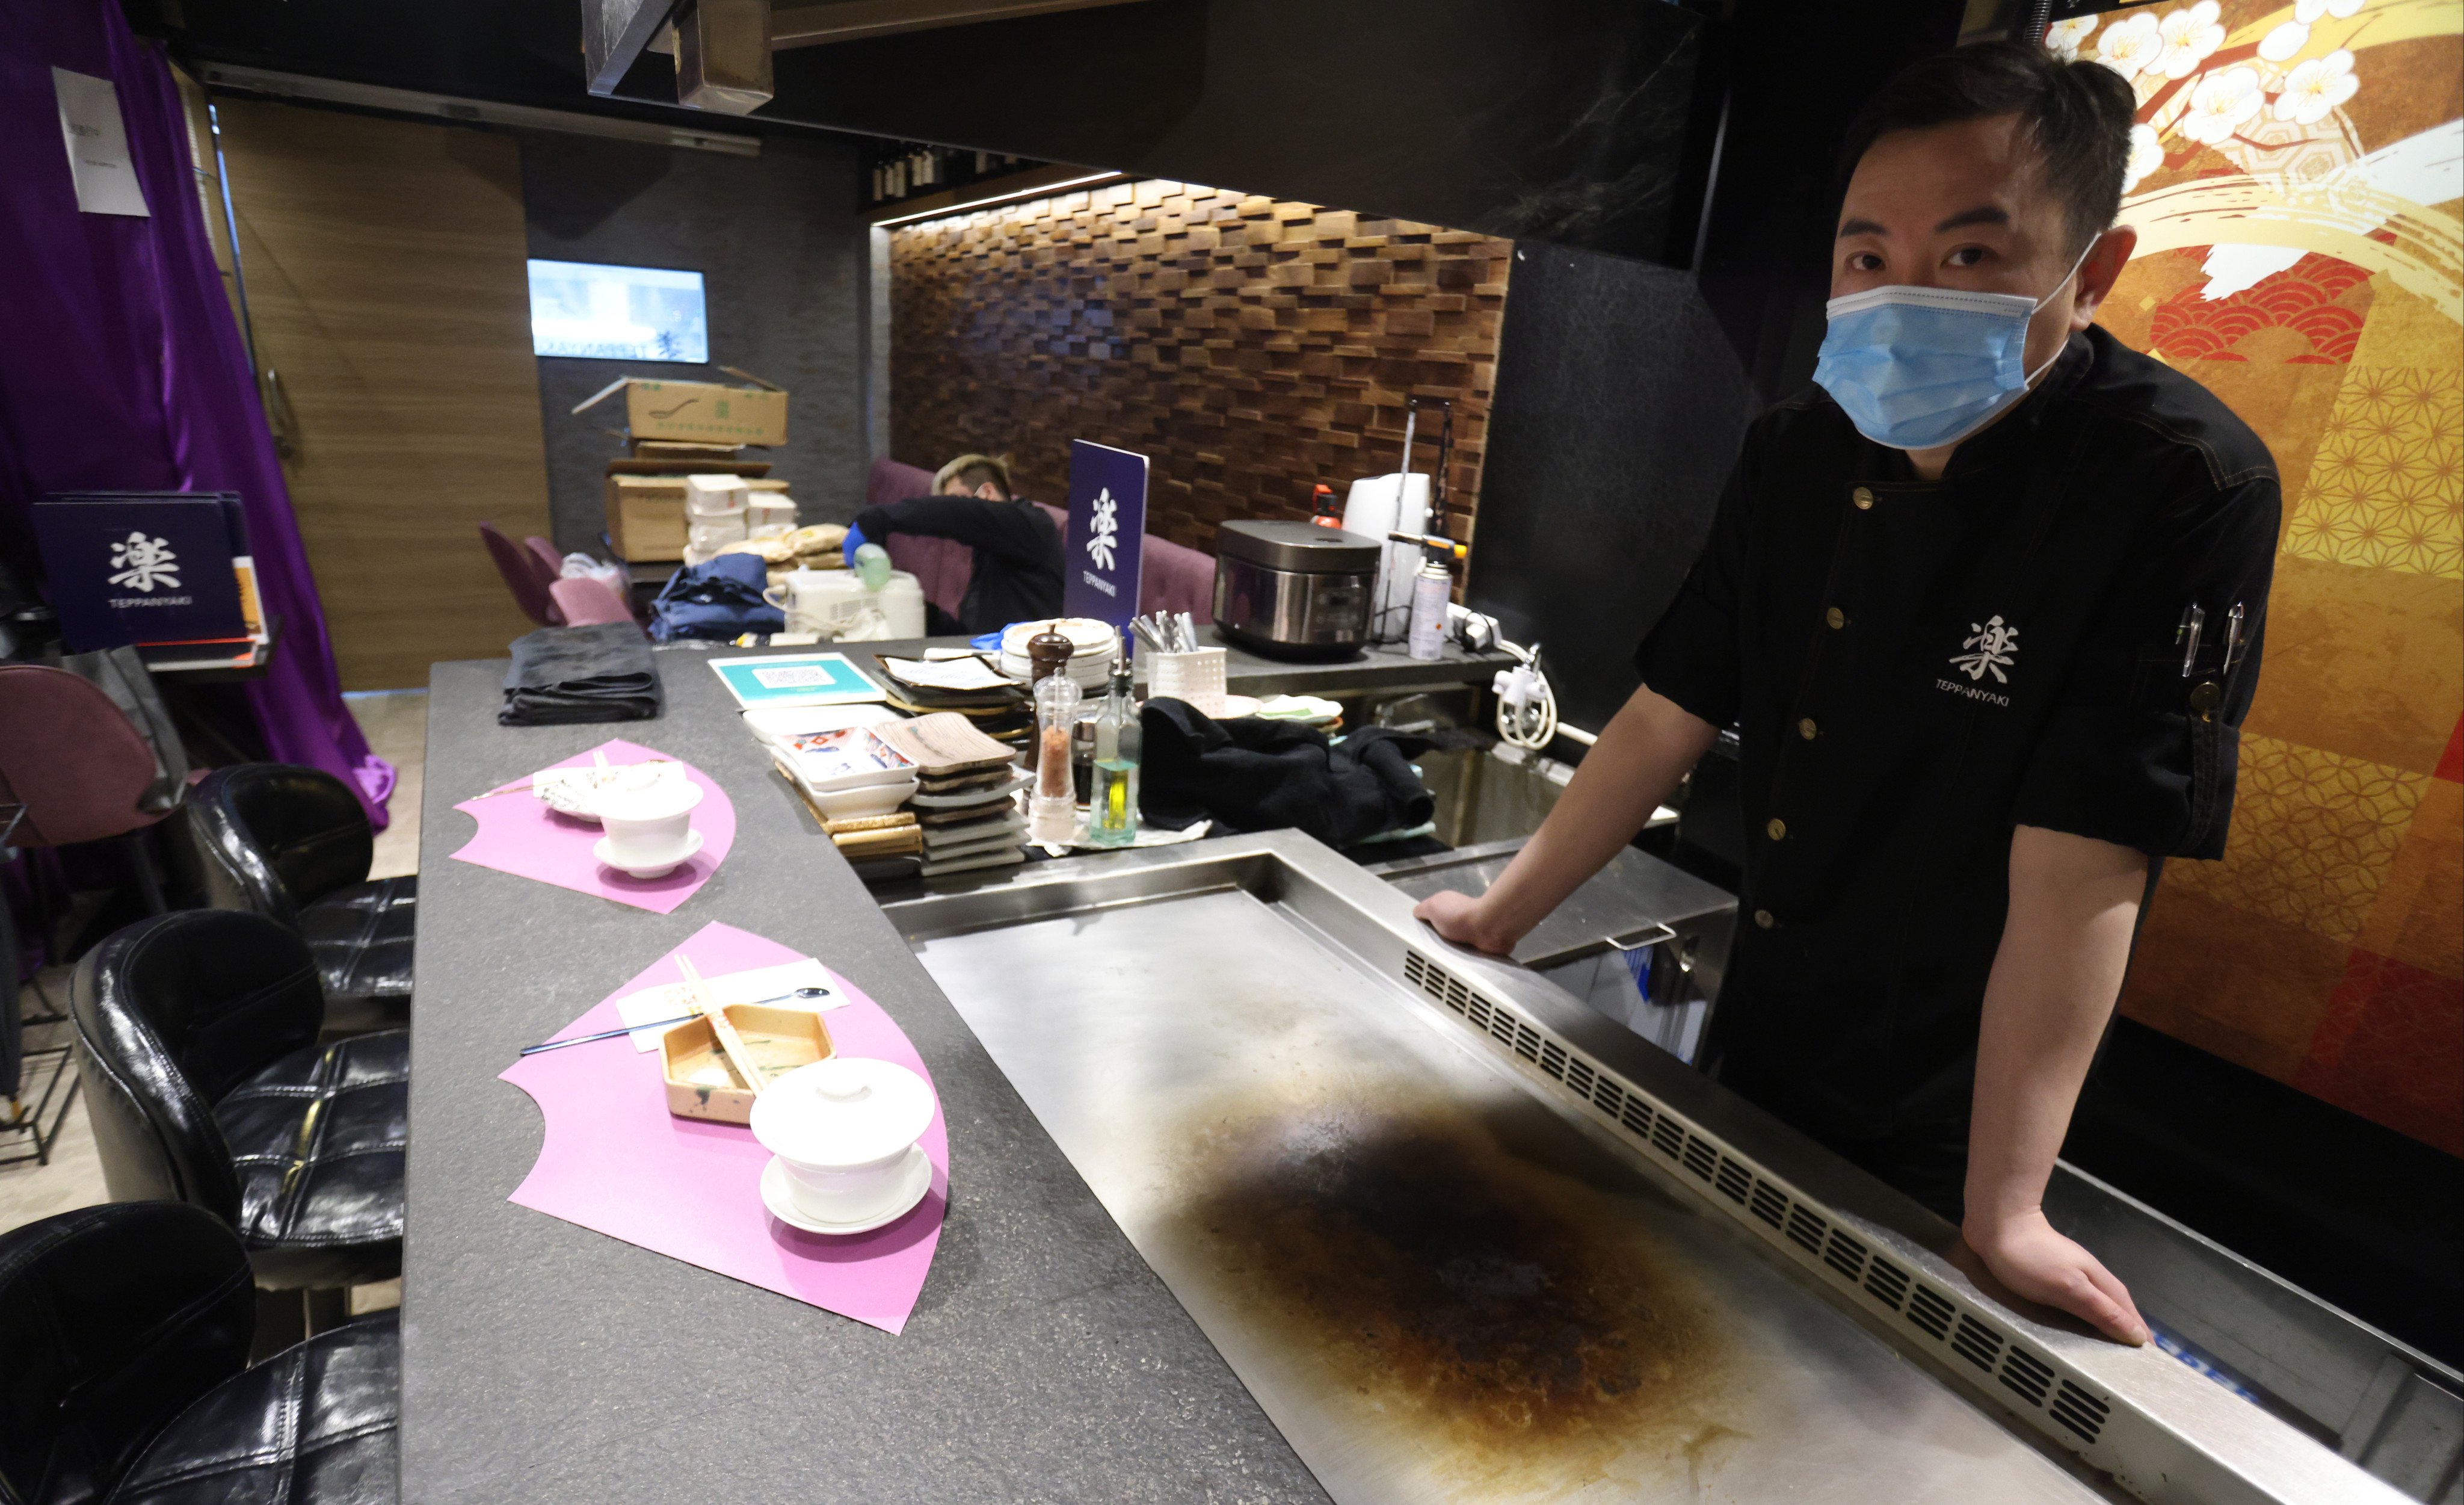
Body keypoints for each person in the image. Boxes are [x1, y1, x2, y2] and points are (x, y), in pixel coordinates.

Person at [1415, 41, 2281, 1347]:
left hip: (1955, 1085)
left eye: (1971, 256)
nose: (1900, 296)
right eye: (1865, 256)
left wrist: (2006, 1205)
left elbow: (2083, 852)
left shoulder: (2180, 482)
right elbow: (1669, 706)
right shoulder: (1795, 445)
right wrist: (1498, 915)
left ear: (2090, 273)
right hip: (1767, 1006)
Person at [844, 453, 1064, 635]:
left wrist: (877, 518)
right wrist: (917, 607)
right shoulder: (991, 549)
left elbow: (959, 515)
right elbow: (972, 636)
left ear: (987, 492)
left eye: (958, 499)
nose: (954, 509)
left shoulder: (1031, 525)